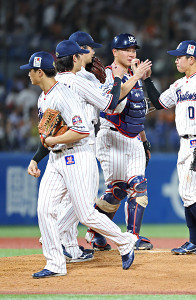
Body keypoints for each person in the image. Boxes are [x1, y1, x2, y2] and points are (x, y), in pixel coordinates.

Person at [23, 51, 137, 278]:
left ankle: (125, 241)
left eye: (30, 70)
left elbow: (81, 130)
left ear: (39, 72)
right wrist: (36, 158)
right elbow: (48, 136)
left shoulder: (63, 94)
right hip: (56, 158)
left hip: (77, 156)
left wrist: (53, 140)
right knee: (44, 209)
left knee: (85, 214)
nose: (28, 74)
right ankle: (55, 263)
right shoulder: (42, 97)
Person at [145, 40, 196, 255]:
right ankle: (194, 240)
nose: (176, 59)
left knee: (188, 191)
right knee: (187, 192)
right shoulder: (180, 83)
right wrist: (146, 79)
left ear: (192, 59)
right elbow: (159, 102)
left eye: (180, 56)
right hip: (184, 142)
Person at [51, 39, 124, 260]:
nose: (92, 54)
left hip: (61, 142)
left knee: (68, 199)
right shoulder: (81, 78)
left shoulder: (55, 81)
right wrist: (118, 79)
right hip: (82, 140)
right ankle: (56, 236)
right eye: (88, 50)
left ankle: (67, 245)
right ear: (77, 54)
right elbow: (109, 104)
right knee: (82, 199)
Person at [86, 33, 154, 251]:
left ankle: (131, 237)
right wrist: (136, 77)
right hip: (111, 135)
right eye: (126, 49)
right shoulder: (106, 73)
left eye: (134, 50)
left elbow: (138, 112)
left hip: (133, 138)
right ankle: (94, 231)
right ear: (115, 52)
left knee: (139, 186)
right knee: (118, 191)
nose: (132, 53)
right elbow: (112, 104)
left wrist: (144, 142)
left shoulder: (136, 74)